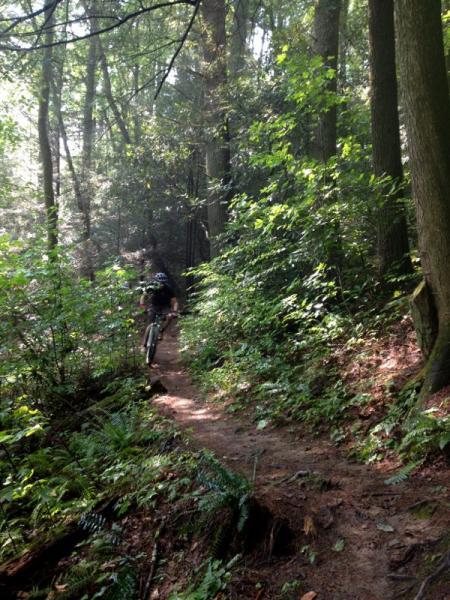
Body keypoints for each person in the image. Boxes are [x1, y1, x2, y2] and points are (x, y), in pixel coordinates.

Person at [140, 272, 178, 347]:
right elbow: (143, 297)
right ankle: (144, 344)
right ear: (156, 281)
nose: (161, 284)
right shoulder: (151, 287)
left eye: (163, 282)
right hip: (154, 306)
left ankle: (161, 331)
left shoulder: (168, 288)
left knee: (169, 317)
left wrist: (174, 311)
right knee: (151, 324)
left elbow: (175, 302)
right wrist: (142, 306)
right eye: (160, 282)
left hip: (165, 306)